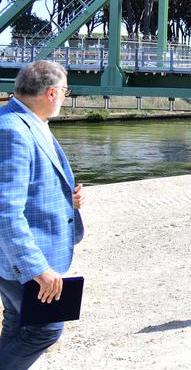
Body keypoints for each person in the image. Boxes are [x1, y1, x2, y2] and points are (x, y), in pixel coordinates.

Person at [0, 61, 84, 369]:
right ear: (51, 93)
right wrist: (36, 268)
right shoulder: (13, 131)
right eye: (64, 90)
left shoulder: (24, 120)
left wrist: (69, 201)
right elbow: (5, 210)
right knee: (46, 329)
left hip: (14, 254)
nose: (64, 96)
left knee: (17, 322)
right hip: (19, 258)